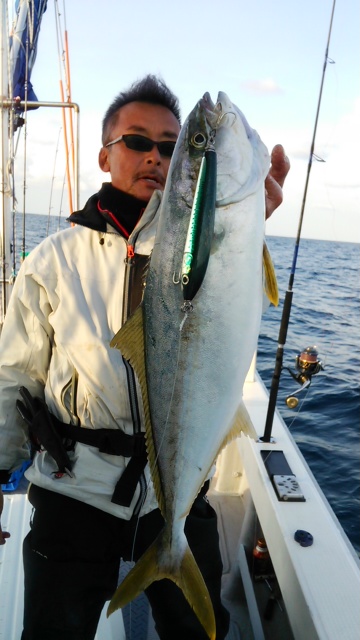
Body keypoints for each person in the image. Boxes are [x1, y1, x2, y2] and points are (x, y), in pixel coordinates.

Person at [0, 75, 290, 640]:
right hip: (73, 492)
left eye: (170, 146)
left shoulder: (196, 244)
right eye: (137, 142)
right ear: (105, 155)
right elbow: (14, 379)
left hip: (174, 496)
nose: (154, 157)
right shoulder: (54, 259)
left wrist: (247, 230)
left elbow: (225, 308)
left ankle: (172, 553)